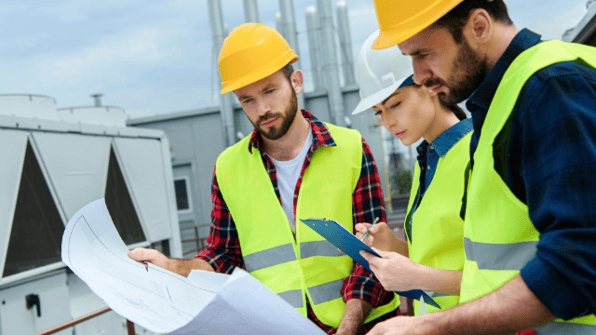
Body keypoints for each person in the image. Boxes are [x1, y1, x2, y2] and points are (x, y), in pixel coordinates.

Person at [129, 23, 400, 335]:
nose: (262, 109)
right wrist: (172, 268)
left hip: (364, 326)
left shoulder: (350, 148)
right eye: (247, 100)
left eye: (270, 91)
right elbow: (222, 256)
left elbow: (372, 252)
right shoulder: (228, 167)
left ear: (295, 81)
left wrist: (348, 326)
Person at [363, 0, 596, 334]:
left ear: (479, 27)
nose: (417, 76)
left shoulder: (551, 87)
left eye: (423, 54)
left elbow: (581, 263)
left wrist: (432, 326)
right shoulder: (506, 101)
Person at [351, 30, 471, 317]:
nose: (388, 122)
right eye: (379, 112)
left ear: (430, 84)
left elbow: (506, 280)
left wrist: (416, 277)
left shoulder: (478, 154)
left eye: (395, 104)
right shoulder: (426, 160)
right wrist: (394, 248)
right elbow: (438, 257)